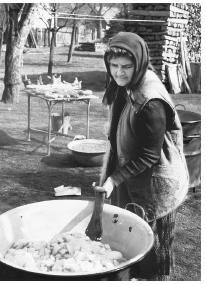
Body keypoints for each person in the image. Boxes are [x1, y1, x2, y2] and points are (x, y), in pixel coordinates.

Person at [93, 32, 189, 280]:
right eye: (113, 66)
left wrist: (113, 179)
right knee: (133, 238)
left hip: (159, 182)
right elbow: (116, 137)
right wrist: (107, 175)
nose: (119, 72)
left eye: (126, 66)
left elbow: (149, 155)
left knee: (154, 246)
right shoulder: (125, 86)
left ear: (139, 63)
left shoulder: (150, 102)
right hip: (134, 175)